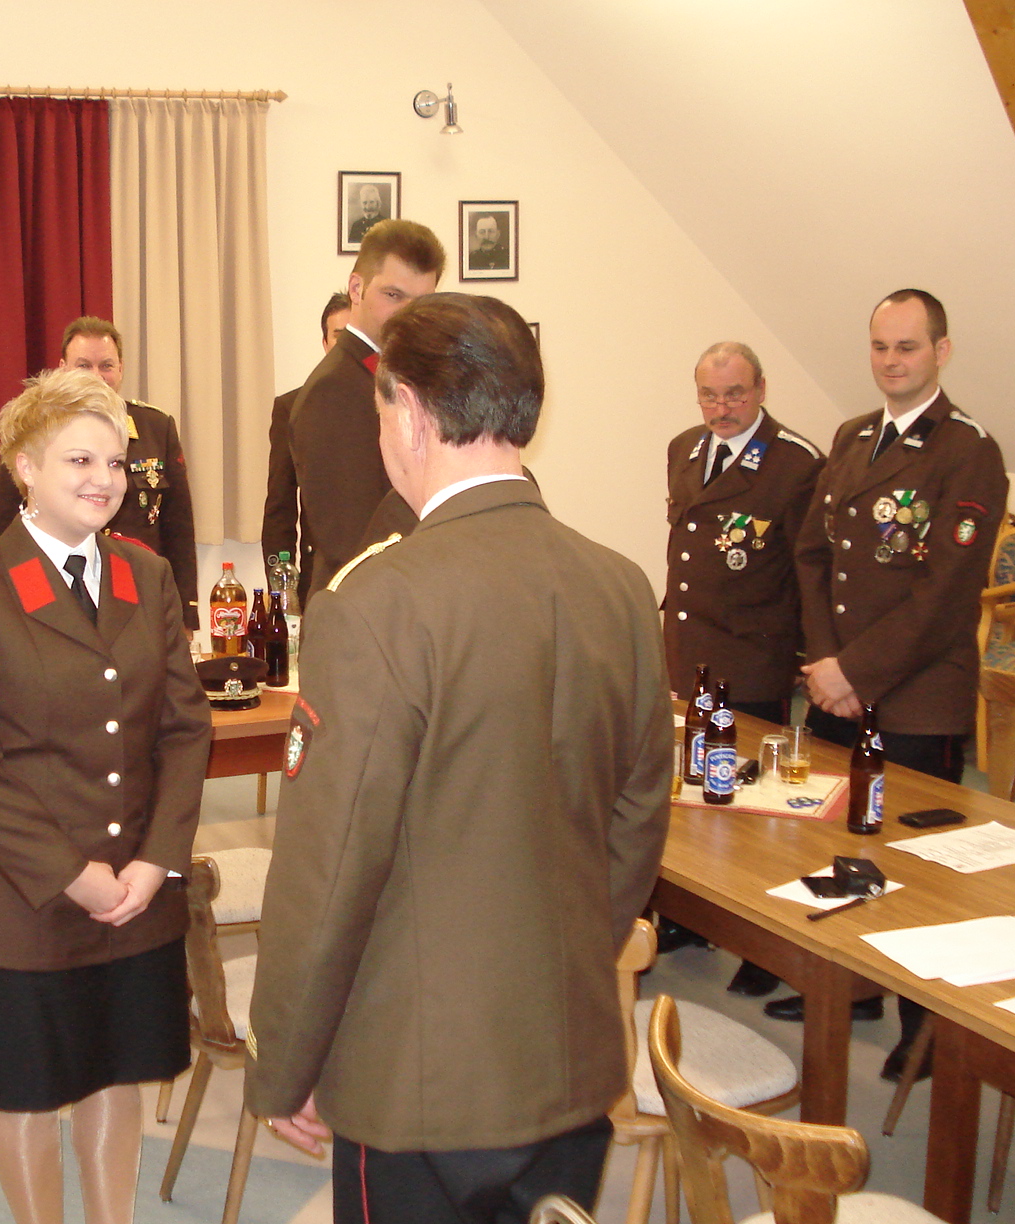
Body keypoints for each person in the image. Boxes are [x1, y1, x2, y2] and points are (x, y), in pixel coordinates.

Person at [247, 293, 671, 1224]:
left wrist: (285, 1063)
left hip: (416, 1081)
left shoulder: (376, 602)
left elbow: (329, 871)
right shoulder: (620, 584)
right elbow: (639, 817)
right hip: (568, 1059)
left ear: (410, 411)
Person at [0, 367, 211, 1224]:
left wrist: (157, 861)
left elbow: (184, 729)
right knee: (29, 1090)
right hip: (27, 896)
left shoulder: (146, 576)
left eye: (116, 464)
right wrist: (69, 874)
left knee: (118, 1074)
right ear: (25, 469)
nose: (103, 480)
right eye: (79, 460)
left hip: (135, 891)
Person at [776, 289, 1007, 1079]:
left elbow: (946, 595)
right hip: (838, 684)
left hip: (916, 696)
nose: (891, 361)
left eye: (907, 347)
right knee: (840, 843)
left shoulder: (968, 451)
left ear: (941, 351)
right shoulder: (852, 437)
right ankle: (852, 987)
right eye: (880, 346)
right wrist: (824, 662)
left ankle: (925, 1023)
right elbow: (813, 557)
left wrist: (854, 670)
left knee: (916, 865)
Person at [660, 341, 823, 994]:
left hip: (752, 661)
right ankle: (690, 921)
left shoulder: (796, 463)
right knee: (692, 797)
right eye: (709, 394)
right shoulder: (683, 448)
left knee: (755, 809)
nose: (721, 407)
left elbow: (809, 570)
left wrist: (808, 657)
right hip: (690, 653)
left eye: (734, 393)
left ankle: (766, 950)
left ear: (760, 389)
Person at [0, 317, 199, 631]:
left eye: (106, 366)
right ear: (63, 368)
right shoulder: (34, 428)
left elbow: (178, 528)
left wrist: (184, 613)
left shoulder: (155, 427)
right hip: (52, 590)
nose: (96, 376)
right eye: (83, 366)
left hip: (137, 591)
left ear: (121, 369)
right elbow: (9, 523)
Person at [289, 219, 445, 602]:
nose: (408, 314)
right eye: (393, 295)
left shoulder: (404, 376)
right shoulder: (335, 388)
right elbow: (352, 541)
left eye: (421, 302)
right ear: (356, 289)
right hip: (368, 607)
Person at [260, 291, 350, 588]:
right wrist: (282, 590)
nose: (348, 346)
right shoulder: (294, 408)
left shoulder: (395, 404)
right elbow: (279, 509)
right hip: (320, 576)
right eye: (339, 336)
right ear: (325, 344)